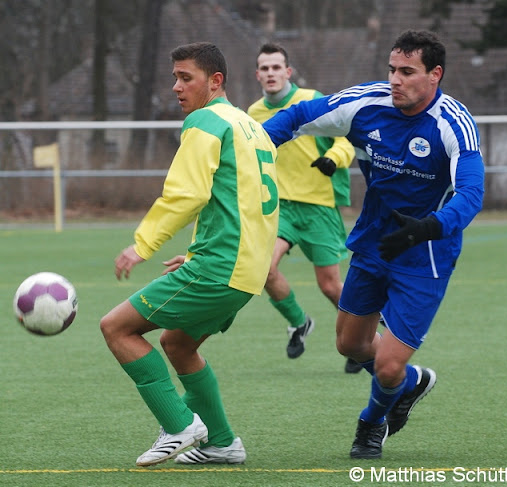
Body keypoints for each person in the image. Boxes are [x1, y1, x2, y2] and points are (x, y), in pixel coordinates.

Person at [262, 30, 484, 459]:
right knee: (349, 345)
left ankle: (371, 423)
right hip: (373, 244)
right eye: (391, 69)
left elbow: (471, 195)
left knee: (385, 364)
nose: (395, 80)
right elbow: (296, 118)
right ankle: (411, 382)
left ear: (434, 75)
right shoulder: (365, 104)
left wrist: (429, 227)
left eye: (407, 72)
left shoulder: (453, 123)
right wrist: (257, 149)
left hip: (426, 255)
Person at [100, 42, 279, 467]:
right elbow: (245, 203)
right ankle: (221, 442)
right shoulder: (251, 126)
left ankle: (180, 426)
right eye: (175, 77)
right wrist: (202, 253)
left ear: (215, 81)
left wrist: (142, 245)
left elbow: (187, 194)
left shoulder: (205, 121)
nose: (177, 87)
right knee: (177, 344)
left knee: (116, 329)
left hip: (221, 266)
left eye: (186, 78)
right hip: (245, 269)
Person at [248, 43, 361, 373]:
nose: (270, 73)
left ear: (288, 72)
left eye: (276, 67)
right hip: (279, 208)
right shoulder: (253, 114)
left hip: (319, 207)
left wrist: (333, 159)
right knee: (264, 270)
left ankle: (359, 338)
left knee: (330, 286)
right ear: (257, 75)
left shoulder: (311, 100)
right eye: (264, 68)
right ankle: (299, 322)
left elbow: (345, 139)